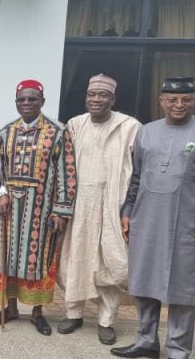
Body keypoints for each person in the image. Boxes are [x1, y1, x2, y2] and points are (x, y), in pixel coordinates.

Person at [110, 77, 195, 359]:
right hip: (146, 223)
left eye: (186, 99)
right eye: (172, 99)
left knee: (182, 290)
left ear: (194, 101)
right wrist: (127, 212)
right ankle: (146, 342)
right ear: (161, 101)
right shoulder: (146, 132)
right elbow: (137, 178)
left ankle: (178, 350)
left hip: (189, 227)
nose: (179, 104)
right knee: (143, 284)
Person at [57, 74, 141, 345]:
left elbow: (139, 172)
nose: (96, 99)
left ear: (113, 99)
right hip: (79, 204)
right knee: (75, 258)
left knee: (109, 263)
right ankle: (73, 313)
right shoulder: (74, 124)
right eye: (92, 95)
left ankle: (106, 321)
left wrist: (128, 208)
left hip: (112, 205)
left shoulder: (130, 126)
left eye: (102, 95)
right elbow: (62, 167)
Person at [0, 79, 76, 336]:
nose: (26, 103)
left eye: (32, 99)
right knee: (6, 256)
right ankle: (11, 308)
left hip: (42, 210)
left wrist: (61, 209)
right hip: (8, 211)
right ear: (16, 102)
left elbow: (66, 173)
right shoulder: (5, 132)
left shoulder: (57, 132)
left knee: (40, 259)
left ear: (42, 102)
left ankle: (37, 312)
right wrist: (1, 193)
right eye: (21, 100)